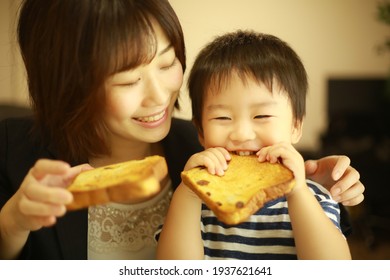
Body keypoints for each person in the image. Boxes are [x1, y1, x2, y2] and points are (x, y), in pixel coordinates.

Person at [0, 0, 362, 260]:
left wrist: (317, 186)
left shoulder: (208, 157)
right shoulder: (10, 151)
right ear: (68, 85)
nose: (160, 97)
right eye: (128, 82)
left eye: (168, 63)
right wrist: (13, 222)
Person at [156, 30, 351, 259]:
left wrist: (297, 191)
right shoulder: (195, 201)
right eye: (222, 118)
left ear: (295, 126)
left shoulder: (315, 197)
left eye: (262, 116)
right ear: (200, 131)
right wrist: (187, 193)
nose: (241, 134)